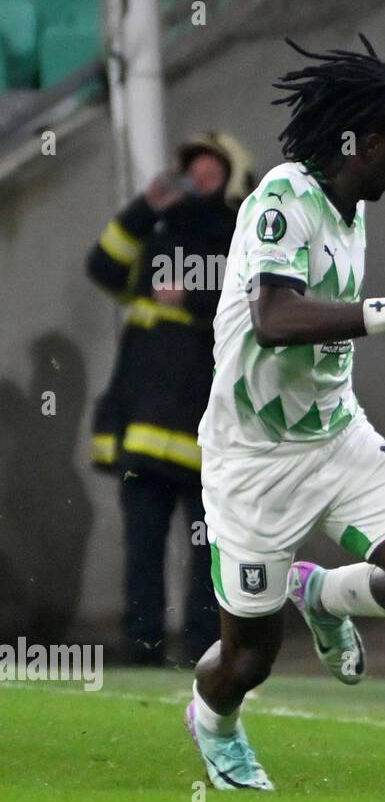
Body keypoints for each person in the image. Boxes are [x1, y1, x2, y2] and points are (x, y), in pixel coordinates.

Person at [186, 35, 385, 791]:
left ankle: (320, 591)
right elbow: (275, 319)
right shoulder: (283, 199)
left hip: (336, 438)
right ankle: (213, 723)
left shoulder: (351, 207)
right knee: (248, 659)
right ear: (366, 143)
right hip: (253, 462)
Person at [87, 130, 257, 666]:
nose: (198, 180)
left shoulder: (243, 239)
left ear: (233, 180)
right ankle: (143, 644)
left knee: (211, 547)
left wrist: (195, 291)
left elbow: (258, 299)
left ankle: (208, 649)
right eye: (193, 171)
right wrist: (144, 207)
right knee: (143, 544)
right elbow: (103, 267)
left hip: (208, 433)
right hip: (144, 429)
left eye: (211, 172)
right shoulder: (159, 238)